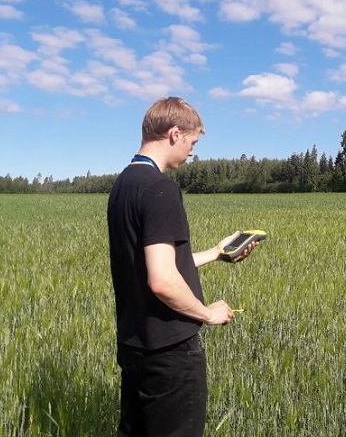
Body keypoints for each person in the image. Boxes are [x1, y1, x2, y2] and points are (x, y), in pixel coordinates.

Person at [107, 96, 258, 437]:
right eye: (192, 142)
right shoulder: (161, 189)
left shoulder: (124, 185)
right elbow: (161, 280)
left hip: (135, 344)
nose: (192, 152)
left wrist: (217, 253)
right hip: (170, 351)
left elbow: (151, 263)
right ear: (175, 134)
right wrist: (206, 313)